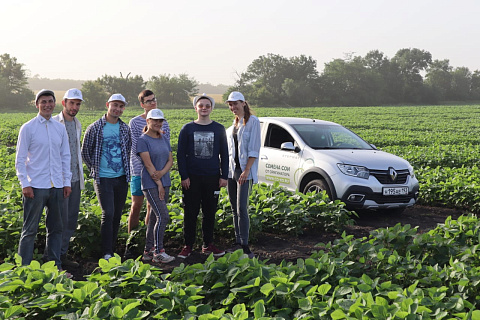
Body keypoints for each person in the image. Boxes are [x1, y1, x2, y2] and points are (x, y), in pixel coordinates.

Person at [15, 89, 72, 272]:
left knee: (56, 229)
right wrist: (25, 183)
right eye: (43, 102)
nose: (47, 105)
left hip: (56, 186)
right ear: (37, 104)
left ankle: (54, 267)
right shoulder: (28, 128)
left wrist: (66, 182)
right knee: (29, 230)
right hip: (36, 187)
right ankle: (24, 270)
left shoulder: (59, 128)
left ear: (54, 103)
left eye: (50, 101)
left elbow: (65, 157)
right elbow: (20, 159)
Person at [177, 94, 229, 258]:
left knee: (210, 212)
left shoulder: (219, 129)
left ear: (211, 108)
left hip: (212, 177)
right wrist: (184, 176)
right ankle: (188, 245)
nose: (204, 108)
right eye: (201, 106)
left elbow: (225, 154)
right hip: (192, 178)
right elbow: (180, 154)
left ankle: (208, 244)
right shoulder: (187, 129)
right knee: (190, 212)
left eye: (207, 105)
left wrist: (224, 176)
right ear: (196, 108)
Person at [81, 93, 131, 260]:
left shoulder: (125, 128)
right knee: (108, 213)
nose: (117, 109)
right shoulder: (95, 127)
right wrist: (95, 169)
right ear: (107, 105)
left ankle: (112, 248)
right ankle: (106, 252)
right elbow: (85, 152)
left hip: (121, 178)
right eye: (115, 105)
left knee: (117, 214)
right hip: (103, 178)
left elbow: (129, 150)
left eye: (121, 106)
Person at [124, 89, 170, 259]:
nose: (153, 103)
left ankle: (148, 244)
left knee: (153, 209)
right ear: (142, 104)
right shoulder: (135, 122)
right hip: (139, 170)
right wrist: (151, 172)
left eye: (154, 100)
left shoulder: (163, 122)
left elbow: (166, 148)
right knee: (136, 206)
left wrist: (159, 173)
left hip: (158, 171)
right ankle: (132, 242)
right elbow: (138, 148)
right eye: (149, 101)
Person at [47, 88, 85, 268]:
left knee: (71, 220)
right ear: (64, 103)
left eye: (78, 104)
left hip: (75, 178)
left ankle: (62, 255)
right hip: (59, 180)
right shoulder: (54, 123)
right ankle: (53, 260)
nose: (75, 107)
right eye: (72, 103)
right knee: (58, 221)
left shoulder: (77, 124)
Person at [225, 92, 261, 259]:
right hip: (232, 170)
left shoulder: (253, 122)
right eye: (230, 104)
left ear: (244, 103)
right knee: (233, 208)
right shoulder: (234, 124)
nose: (233, 107)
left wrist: (247, 170)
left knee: (241, 208)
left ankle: (245, 245)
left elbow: (254, 148)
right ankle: (237, 241)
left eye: (236, 104)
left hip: (244, 171)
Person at [137, 108, 174, 263]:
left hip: (165, 182)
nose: (158, 123)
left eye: (160, 121)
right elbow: (148, 165)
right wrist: (158, 182)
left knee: (153, 217)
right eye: (155, 120)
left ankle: (148, 250)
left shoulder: (164, 138)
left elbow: (170, 160)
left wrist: (162, 173)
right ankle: (159, 251)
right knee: (163, 216)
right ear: (148, 121)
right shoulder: (143, 140)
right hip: (150, 184)